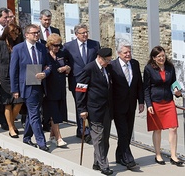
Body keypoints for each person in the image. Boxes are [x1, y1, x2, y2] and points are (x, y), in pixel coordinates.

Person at [10, 24, 51, 152]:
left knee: (31, 113)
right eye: (34, 33)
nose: (36, 35)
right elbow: (13, 70)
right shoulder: (18, 49)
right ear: (27, 34)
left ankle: (27, 137)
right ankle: (41, 142)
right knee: (35, 114)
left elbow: (49, 65)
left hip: (39, 85)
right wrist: (15, 89)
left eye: (38, 32)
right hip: (26, 86)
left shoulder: (41, 48)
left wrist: (45, 73)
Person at [143, 46, 184, 167]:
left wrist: (177, 92)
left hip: (168, 101)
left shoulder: (170, 67)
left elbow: (174, 83)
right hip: (155, 102)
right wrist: (148, 104)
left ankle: (173, 156)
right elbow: (146, 88)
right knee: (157, 129)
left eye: (163, 55)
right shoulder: (148, 69)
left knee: (173, 128)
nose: (162, 58)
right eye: (159, 56)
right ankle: (158, 154)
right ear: (154, 58)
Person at [76, 48, 113, 175]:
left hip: (107, 109)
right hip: (94, 109)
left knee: (105, 138)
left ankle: (97, 162)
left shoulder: (107, 68)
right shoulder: (89, 69)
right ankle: (104, 165)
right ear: (100, 58)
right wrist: (82, 109)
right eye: (107, 60)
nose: (108, 63)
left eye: (109, 60)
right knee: (98, 138)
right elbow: (80, 89)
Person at [63, 23, 100, 143]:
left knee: (89, 104)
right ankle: (83, 130)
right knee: (80, 105)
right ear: (76, 34)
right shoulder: (68, 46)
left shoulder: (94, 45)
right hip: (77, 81)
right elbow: (65, 61)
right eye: (82, 33)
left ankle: (88, 129)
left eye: (86, 32)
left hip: (91, 81)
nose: (85, 35)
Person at [110, 40, 144, 169]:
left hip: (131, 104)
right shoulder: (112, 66)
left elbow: (139, 84)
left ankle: (119, 155)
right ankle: (128, 158)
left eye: (129, 52)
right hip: (118, 106)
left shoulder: (135, 64)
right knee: (123, 131)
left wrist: (141, 102)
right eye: (125, 52)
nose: (128, 54)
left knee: (128, 132)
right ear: (119, 53)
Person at [0, 23, 24, 138]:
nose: (16, 36)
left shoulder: (17, 44)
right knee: (7, 103)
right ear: (9, 34)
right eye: (15, 34)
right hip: (4, 76)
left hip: (16, 76)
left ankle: (11, 121)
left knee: (19, 101)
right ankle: (11, 127)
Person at [43, 33, 70, 147]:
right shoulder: (44, 55)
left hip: (60, 86)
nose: (57, 47)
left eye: (59, 45)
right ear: (49, 45)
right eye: (54, 45)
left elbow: (69, 65)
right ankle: (59, 138)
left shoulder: (62, 54)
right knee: (54, 114)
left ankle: (52, 136)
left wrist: (66, 68)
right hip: (49, 87)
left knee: (59, 111)